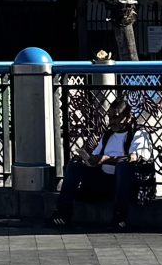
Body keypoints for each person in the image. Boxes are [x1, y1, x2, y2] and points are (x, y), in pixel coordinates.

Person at [53, 96, 152, 228]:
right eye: (110, 117)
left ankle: (120, 218)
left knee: (123, 166)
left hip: (130, 185)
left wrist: (106, 159)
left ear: (128, 117)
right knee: (75, 165)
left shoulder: (139, 134)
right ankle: (63, 214)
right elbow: (96, 156)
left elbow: (133, 158)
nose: (111, 122)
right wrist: (87, 159)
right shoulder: (108, 135)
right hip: (105, 181)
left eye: (116, 117)